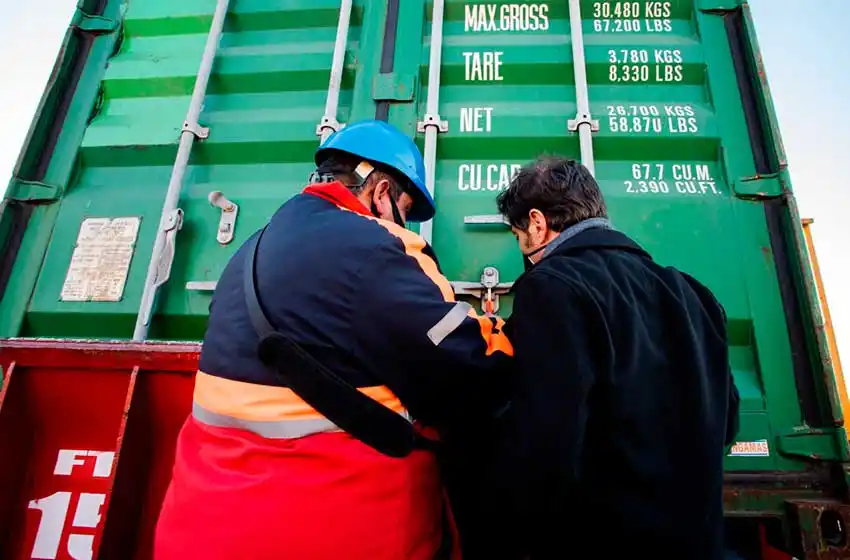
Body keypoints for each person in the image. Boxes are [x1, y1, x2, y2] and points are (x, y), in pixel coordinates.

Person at [153, 119, 514, 560]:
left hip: (198, 529)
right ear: (381, 192)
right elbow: (467, 364)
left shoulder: (251, 248)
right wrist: (502, 331)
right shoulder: (376, 247)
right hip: (328, 528)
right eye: (404, 209)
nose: (406, 225)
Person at [486, 155, 740, 559]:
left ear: (536, 223)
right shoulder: (693, 293)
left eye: (519, 237)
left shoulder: (552, 287)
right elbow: (727, 422)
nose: (523, 250)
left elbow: (548, 443)